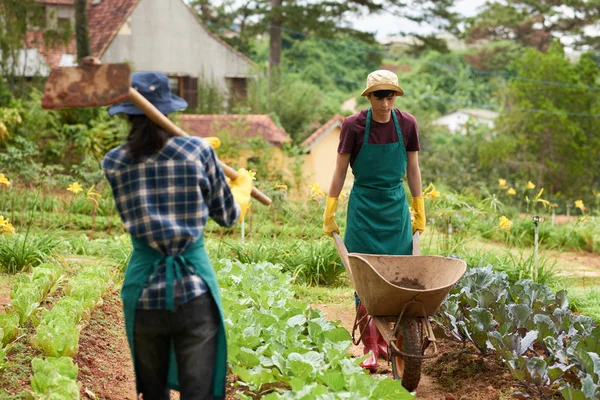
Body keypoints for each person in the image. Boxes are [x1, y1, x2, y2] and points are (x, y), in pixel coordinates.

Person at [102, 71, 252, 400]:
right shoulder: (198, 152)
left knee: (153, 392)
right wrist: (241, 191)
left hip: (143, 289)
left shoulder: (113, 163)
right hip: (194, 289)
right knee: (198, 390)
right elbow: (227, 216)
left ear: (127, 115)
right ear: (168, 111)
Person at [323, 69, 425, 370]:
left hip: (395, 206)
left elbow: (414, 169)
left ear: (396, 95)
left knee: (399, 276)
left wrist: (418, 207)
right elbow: (340, 169)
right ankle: (372, 348)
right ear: (369, 96)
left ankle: (399, 339)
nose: (385, 101)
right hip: (363, 206)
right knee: (364, 279)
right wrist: (330, 208)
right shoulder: (353, 126)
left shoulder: (407, 124)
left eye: (390, 94)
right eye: (379, 94)